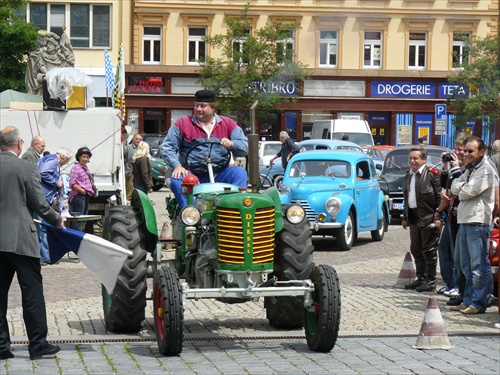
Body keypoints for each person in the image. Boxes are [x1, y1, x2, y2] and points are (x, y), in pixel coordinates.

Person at [0, 126, 65, 360]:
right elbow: (40, 203)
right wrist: (58, 220)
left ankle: (0, 347)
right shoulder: (26, 167)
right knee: (32, 295)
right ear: (19, 145)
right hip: (21, 239)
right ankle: (37, 345)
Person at [161, 89, 248, 208]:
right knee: (177, 179)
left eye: (203, 106)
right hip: (192, 173)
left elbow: (244, 147)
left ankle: (232, 210)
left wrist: (232, 144)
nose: (198, 109)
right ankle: (191, 214)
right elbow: (167, 147)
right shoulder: (183, 123)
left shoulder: (228, 123)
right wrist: (177, 166)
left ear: (213, 108)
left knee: (240, 173)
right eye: (196, 105)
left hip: (220, 172)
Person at [450, 136, 495, 314]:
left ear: (481, 152)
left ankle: (479, 302)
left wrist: (460, 189)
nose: (466, 154)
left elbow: (467, 192)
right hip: (465, 219)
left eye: (471, 151)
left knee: (478, 266)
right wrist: (461, 187)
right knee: (464, 265)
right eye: (465, 150)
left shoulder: (485, 170)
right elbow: (453, 187)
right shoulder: (470, 169)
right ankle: (468, 299)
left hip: (477, 221)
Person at [434, 132, 471, 300]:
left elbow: (457, 188)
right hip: (450, 214)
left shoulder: (467, 169)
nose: (459, 153)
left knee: (457, 254)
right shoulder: (457, 167)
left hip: (459, 215)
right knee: (444, 251)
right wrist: (445, 167)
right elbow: (445, 185)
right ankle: (450, 284)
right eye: (456, 149)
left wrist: (455, 169)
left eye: (462, 150)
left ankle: (457, 286)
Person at [402, 146, 441, 292]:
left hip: (428, 217)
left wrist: (439, 217)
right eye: (410, 158)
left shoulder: (432, 174)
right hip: (413, 217)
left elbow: (439, 197)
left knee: (429, 250)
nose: (412, 161)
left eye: (415, 159)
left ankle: (430, 281)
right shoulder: (408, 175)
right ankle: (421, 278)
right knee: (416, 249)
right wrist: (405, 217)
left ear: (423, 159)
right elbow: (407, 198)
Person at [37, 148, 72, 264]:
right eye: (66, 162)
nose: (65, 164)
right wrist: (56, 182)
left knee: (42, 227)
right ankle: (44, 256)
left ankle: (45, 255)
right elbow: (43, 172)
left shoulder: (49, 159)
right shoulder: (53, 160)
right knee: (42, 227)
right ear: (64, 158)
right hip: (43, 198)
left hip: (44, 197)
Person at [68, 147, 95, 231]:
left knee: (84, 218)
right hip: (78, 196)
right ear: (79, 157)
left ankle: (81, 236)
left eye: (87, 157)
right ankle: (76, 237)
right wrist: (81, 190)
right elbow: (72, 183)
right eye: (84, 157)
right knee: (78, 219)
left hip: (86, 195)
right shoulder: (76, 168)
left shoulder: (85, 168)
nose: (85, 159)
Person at [124, 133, 143, 202]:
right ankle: (129, 200)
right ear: (133, 139)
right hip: (130, 171)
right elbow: (123, 159)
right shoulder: (127, 147)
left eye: (140, 139)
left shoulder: (142, 148)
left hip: (139, 172)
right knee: (130, 187)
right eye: (137, 139)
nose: (138, 140)